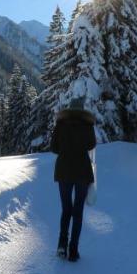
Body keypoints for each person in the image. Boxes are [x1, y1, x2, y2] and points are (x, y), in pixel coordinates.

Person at [50, 98, 96, 262]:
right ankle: (73, 250)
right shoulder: (87, 126)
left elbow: (54, 148)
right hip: (82, 172)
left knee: (66, 209)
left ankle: (62, 245)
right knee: (78, 211)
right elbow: (91, 145)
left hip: (63, 171)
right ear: (82, 111)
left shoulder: (61, 125)